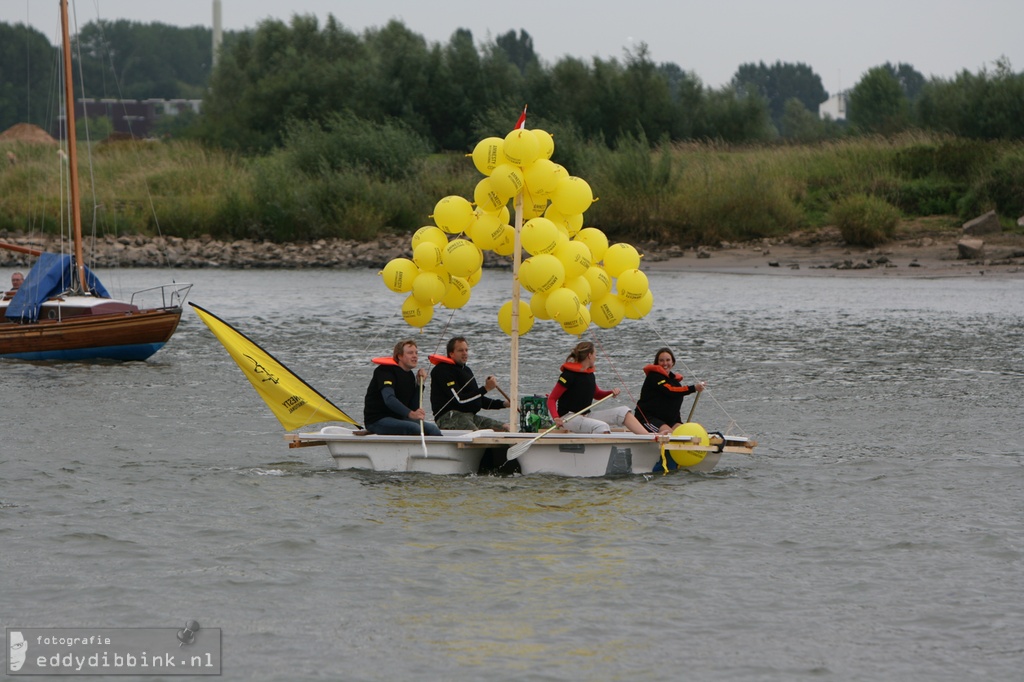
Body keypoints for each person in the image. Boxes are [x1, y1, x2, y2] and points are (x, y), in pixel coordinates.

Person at [547, 341, 648, 435]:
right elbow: (552, 399)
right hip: (568, 418)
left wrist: (611, 393)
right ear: (589, 355)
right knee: (601, 426)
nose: (596, 357)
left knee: (623, 412)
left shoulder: (589, 374)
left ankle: (649, 437)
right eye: (595, 354)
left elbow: (597, 394)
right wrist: (556, 418)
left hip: (586, 416)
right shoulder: (568, 375)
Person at [363, 339, 442, 436]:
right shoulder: (385, 371)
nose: (415, 356)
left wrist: (419, 384)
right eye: (410, 353)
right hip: (377, 420)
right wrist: (411, 414)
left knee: (433, 429)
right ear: (399, 356)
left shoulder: (409, 375)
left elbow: (413, 407)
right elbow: (389, 399)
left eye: (416, 353)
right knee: (414, 428)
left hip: (398, 418)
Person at [430, 336, 510, 431]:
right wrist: (486, 388)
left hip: (470, 416)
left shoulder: (466, 370)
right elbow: (459, 399)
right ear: (451, 353)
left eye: (466, 350)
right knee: (476, 433)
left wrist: (504, 404)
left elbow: (477, 399)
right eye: (460, 350)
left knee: (506, 428)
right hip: (449, 417)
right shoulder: (442, 370)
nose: (465, 353)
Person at [635, 347, 706, 434]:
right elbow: (669, 391)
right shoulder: (654, 377)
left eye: (668, 360)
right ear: (657, 363)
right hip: (647, 418)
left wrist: (680, 423)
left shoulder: (675, 382)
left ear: (673, 362)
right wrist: (693, 388)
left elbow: (675, 407)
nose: (665, 363)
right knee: (668, 433)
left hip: (669, 421)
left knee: (690, 432)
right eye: (661, 360)